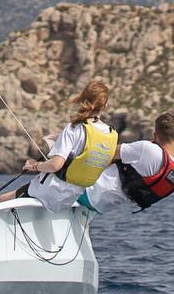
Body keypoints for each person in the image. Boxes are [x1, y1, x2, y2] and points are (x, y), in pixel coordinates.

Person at [17, 80, 118, 213]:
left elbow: (55, 165)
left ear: (83, 100)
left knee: (2, 199)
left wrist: (34, 166)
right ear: (105, 105)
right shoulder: (112, 134)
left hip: (48, 192)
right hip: (71, 198)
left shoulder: (75, 128)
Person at [86, 110, 174, 215]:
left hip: (88, 190)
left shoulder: (148, 149)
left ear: (155, 135)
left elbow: (105, 152)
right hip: (102, 206)